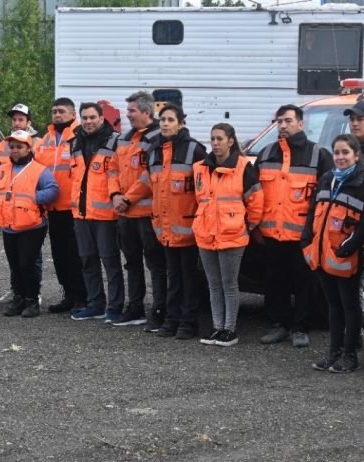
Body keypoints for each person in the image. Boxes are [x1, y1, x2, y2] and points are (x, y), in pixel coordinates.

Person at [125, 103, 207, 340]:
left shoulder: (195, 151)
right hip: (165, 228)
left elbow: (204, 189)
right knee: (172, 276)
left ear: (181, 123)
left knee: (189, 278)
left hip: (188, 228)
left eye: (170, 120)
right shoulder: (154, 151)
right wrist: (128, 199)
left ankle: (188, 323)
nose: (165, 124)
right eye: (162, 120)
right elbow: (147, 182)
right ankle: (171, 320)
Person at [255, 104, 333, 347]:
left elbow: (325, 198)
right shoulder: (266, 153)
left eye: (288, 121)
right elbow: (254, 194)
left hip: (302, 235)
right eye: (279, 122)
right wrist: (255, 226)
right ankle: (278, 324)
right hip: (270, 234)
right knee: (274, 282)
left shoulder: (318, 155)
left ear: (301, 124)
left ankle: (300, 327)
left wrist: (315, 232)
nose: (283, 126)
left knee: (304, 283)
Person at [302, 135, 364, 372]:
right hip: (323, 252)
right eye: (337, 153)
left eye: (346, 152)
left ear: (356, 155)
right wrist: (307, 240)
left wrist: (354, 243)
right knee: (332, 305)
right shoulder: (327, 178)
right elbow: (314, 210)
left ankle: (350, 354)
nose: (340, 157)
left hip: (346, 253)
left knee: (350, 305)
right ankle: (333, 352)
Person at [194, 123, 263, 347]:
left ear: (231, 141)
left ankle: (229, 329)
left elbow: (255, 201)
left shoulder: (243, 167)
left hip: (232, 234)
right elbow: (200, 200)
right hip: (206, 233)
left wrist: (246, 227)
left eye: (220, 139)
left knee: (229, 284)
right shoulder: (201, 168)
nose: (215, 143)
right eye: (212, 139)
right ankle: (217, 327)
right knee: (213, 284)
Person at [0, 130, 59, 318]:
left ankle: (32, 301)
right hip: (9, 225)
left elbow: (53, 190)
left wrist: (34, 198)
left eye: (19, 147)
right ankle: (18, 299)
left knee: (27, 264)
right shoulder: (3, 168)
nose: (15, 150)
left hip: (32, 225)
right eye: (12, 147)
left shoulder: (39, 170)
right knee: (15, 265)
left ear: (28, 148)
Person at [110, 91, 166, 328]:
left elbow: (149, 174)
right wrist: (114, 195)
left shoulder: (157, 137)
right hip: (124, 214)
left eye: (132, 110)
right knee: (131, 262)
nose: (128, 114)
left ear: (146, 112)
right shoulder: (124, 138)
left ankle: (159, 310)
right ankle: (135, 308)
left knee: (155, 264)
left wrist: (128, 198)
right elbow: (113, 169)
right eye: (128, 110)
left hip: (146, 214)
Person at [68, 102, 125, 323]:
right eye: (85, 117)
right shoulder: (74, 143)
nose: (88, 121)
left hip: (106, 217)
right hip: (81, 215)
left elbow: (118, 175)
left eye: (92, 117)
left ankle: (116, 307)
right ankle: (95, 304)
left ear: (102, 118)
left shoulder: (115, 141)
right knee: (88, 261)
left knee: (110, 262)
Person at [34, 98, 87, 314]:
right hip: (53, 208)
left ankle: (83, 297)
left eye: (62, 111)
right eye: (54, 111)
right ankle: (68, 294)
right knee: (59, 255)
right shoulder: (45, 139)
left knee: (77, 255)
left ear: (73, 114)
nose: (57, 115)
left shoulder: (80, 137)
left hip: (73, 208)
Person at [0, 103, 44, 306]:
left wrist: (32, 200)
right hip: (8, 211)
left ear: (29, 122)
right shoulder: (2, 145)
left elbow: (40, 175)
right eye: (14, 119)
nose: (17, 123)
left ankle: (34, 292)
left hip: (29, 213)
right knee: (15, 259)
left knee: (31, 258)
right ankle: (17, 291)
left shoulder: (38, 143)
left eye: (21, 119)